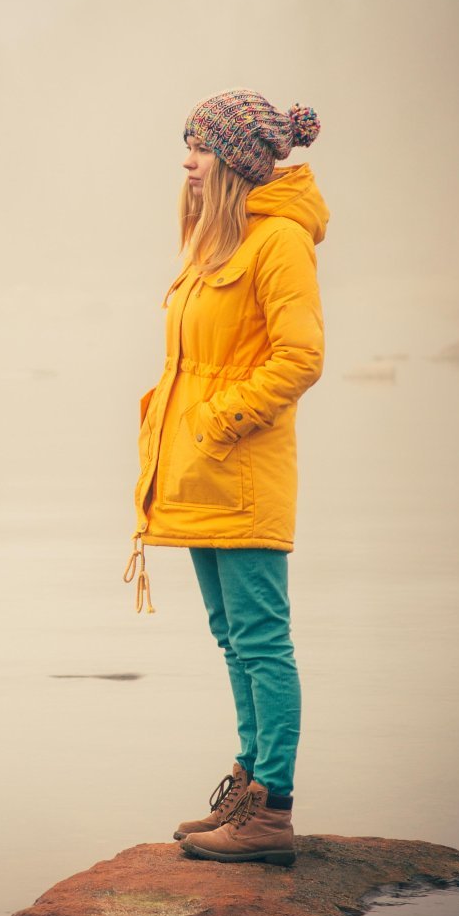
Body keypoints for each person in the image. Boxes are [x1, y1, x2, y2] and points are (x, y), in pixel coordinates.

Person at [122, 88, 327, 866]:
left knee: (263, 642)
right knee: (232, 639)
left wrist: (217, 422)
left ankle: (271, 810)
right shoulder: (214, 242)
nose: (187, 160)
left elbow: (300, 357)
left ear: (236, 161)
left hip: (240, 473)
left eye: (199, 147)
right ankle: (248, 788)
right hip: (203, 476)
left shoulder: (278, 244)